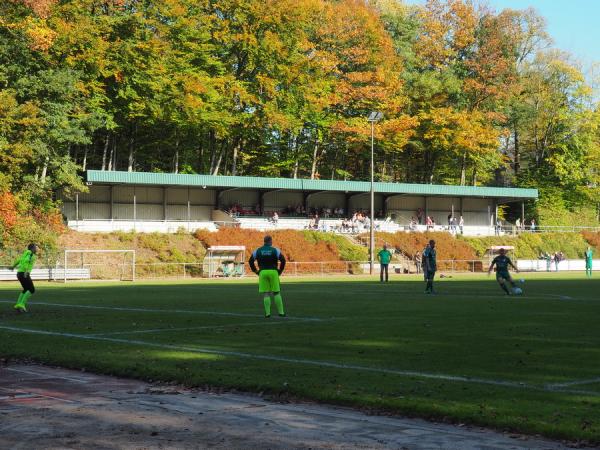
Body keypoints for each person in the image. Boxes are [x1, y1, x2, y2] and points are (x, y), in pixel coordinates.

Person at [248, 235, 286, 318]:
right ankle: (281, 313)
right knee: (276, 292)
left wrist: (255, 271)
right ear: (271, 241)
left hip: (263, 272)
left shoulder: (257, 250)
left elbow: (250, 261)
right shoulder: (275, 250)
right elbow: (283, 260)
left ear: (264, 241)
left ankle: (268, 314)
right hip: (273, 272)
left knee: (266, 293)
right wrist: (280, 270)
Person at [12, 243, 38, 312]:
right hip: (24, 273)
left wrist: (13, 266)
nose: (36, 249)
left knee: (26, 289)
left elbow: (19, 260)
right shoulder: (31, 254)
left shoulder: (25, 253)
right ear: (32, 248)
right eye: (35, 248)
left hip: (19, 273)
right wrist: (26, 271)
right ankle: (22, 304)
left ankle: (18, 304)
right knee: (32, 290)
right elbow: (27, 261)